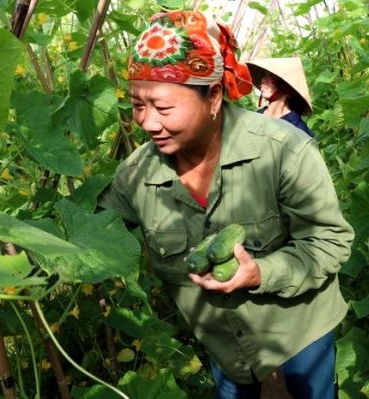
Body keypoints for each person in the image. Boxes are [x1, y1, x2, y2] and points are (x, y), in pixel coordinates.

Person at [98, 10, 354, 399]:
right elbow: (87, 233)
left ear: (213, 96)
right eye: (137, 106)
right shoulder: (136, 176)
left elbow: (330, 241)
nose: (147, 123)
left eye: (164, 109)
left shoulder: (283, 150)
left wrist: (262, 272)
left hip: (300, 337)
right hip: (226, 349)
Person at [246, 57, 314, 137]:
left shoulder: (299, 130)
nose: (263, 80)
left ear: (288, 88)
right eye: (265, 75)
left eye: (271, 77)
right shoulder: (256, 116)